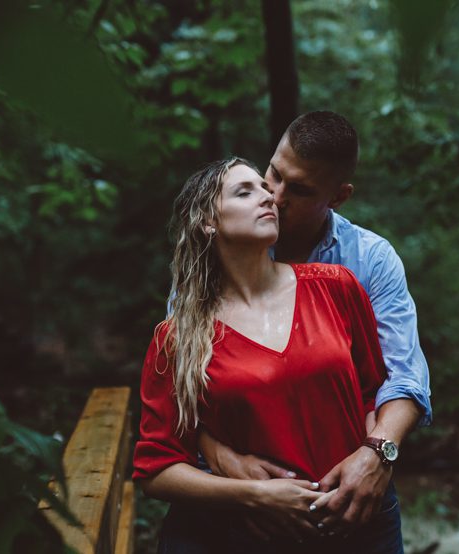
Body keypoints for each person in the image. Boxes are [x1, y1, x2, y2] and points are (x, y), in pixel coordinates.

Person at [134, 158, 401, 553]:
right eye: (245, 192)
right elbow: (156, 470)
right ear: (207, 222)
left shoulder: (335, 287)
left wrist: (371, 459)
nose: (268, 198)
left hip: (358, 524)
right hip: (249, 537)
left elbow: (372, 391)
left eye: (264, 187)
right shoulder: (179, 338)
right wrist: (253, 496)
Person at [197, 111, 431, 541]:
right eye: (274, 173)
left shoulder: (367, 261)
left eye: (300, 189)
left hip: (347, 492)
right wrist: (224, 460)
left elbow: (403, 376)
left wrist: (377, 452)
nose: (275, 195)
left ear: (339, 196)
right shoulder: (216, 252)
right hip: (241, 505)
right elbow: (180, 381)